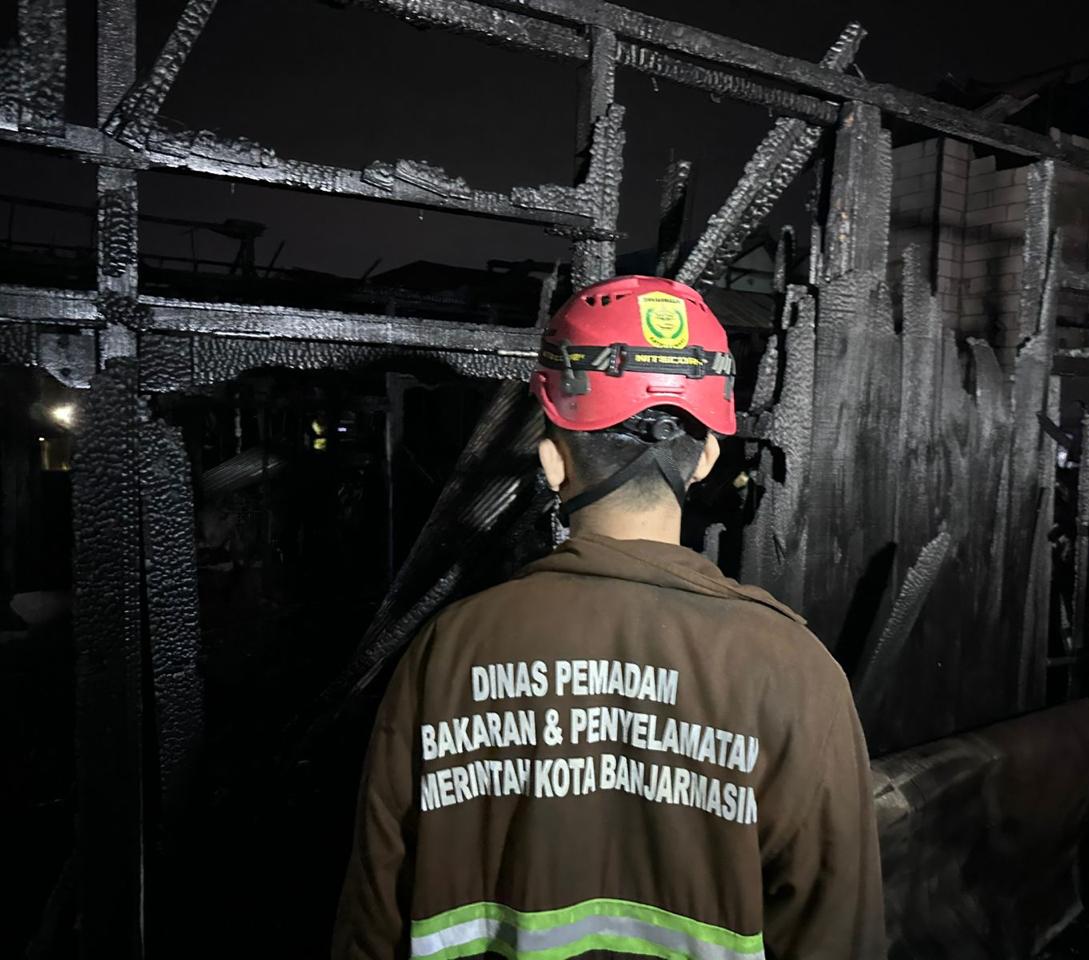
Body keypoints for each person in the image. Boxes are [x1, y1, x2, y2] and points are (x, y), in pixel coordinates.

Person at [333, 275, 886, 960]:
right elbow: (839, 935)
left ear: (551, 461)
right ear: (707, 457)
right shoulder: (795, 670)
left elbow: (372, 922)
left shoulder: (448, 649)